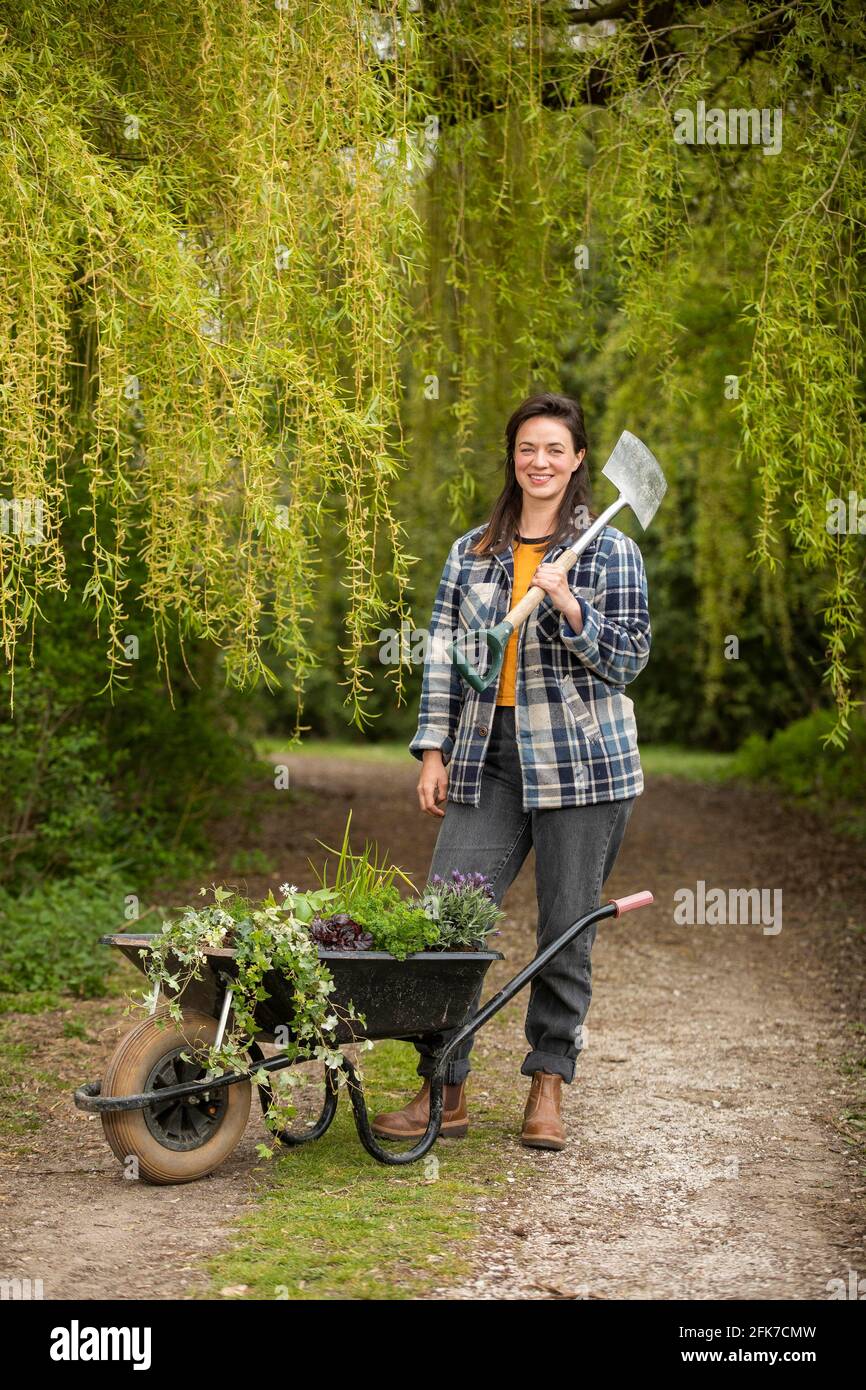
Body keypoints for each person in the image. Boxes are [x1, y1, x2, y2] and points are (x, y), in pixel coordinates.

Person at [371, 392, 651, 1150]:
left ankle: (548, 1084)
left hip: (582, 763)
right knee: (448, 923)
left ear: (579, 459)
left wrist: (570, 606)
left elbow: (630, 658)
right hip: (485, 756)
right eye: (528, 448)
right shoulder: (472, 551)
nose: (540, 461)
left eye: (556, 448)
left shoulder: (610, 551)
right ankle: (444, 1087)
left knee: (566, 928)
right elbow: (442, 656)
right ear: (513, 457)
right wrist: (433, 749)